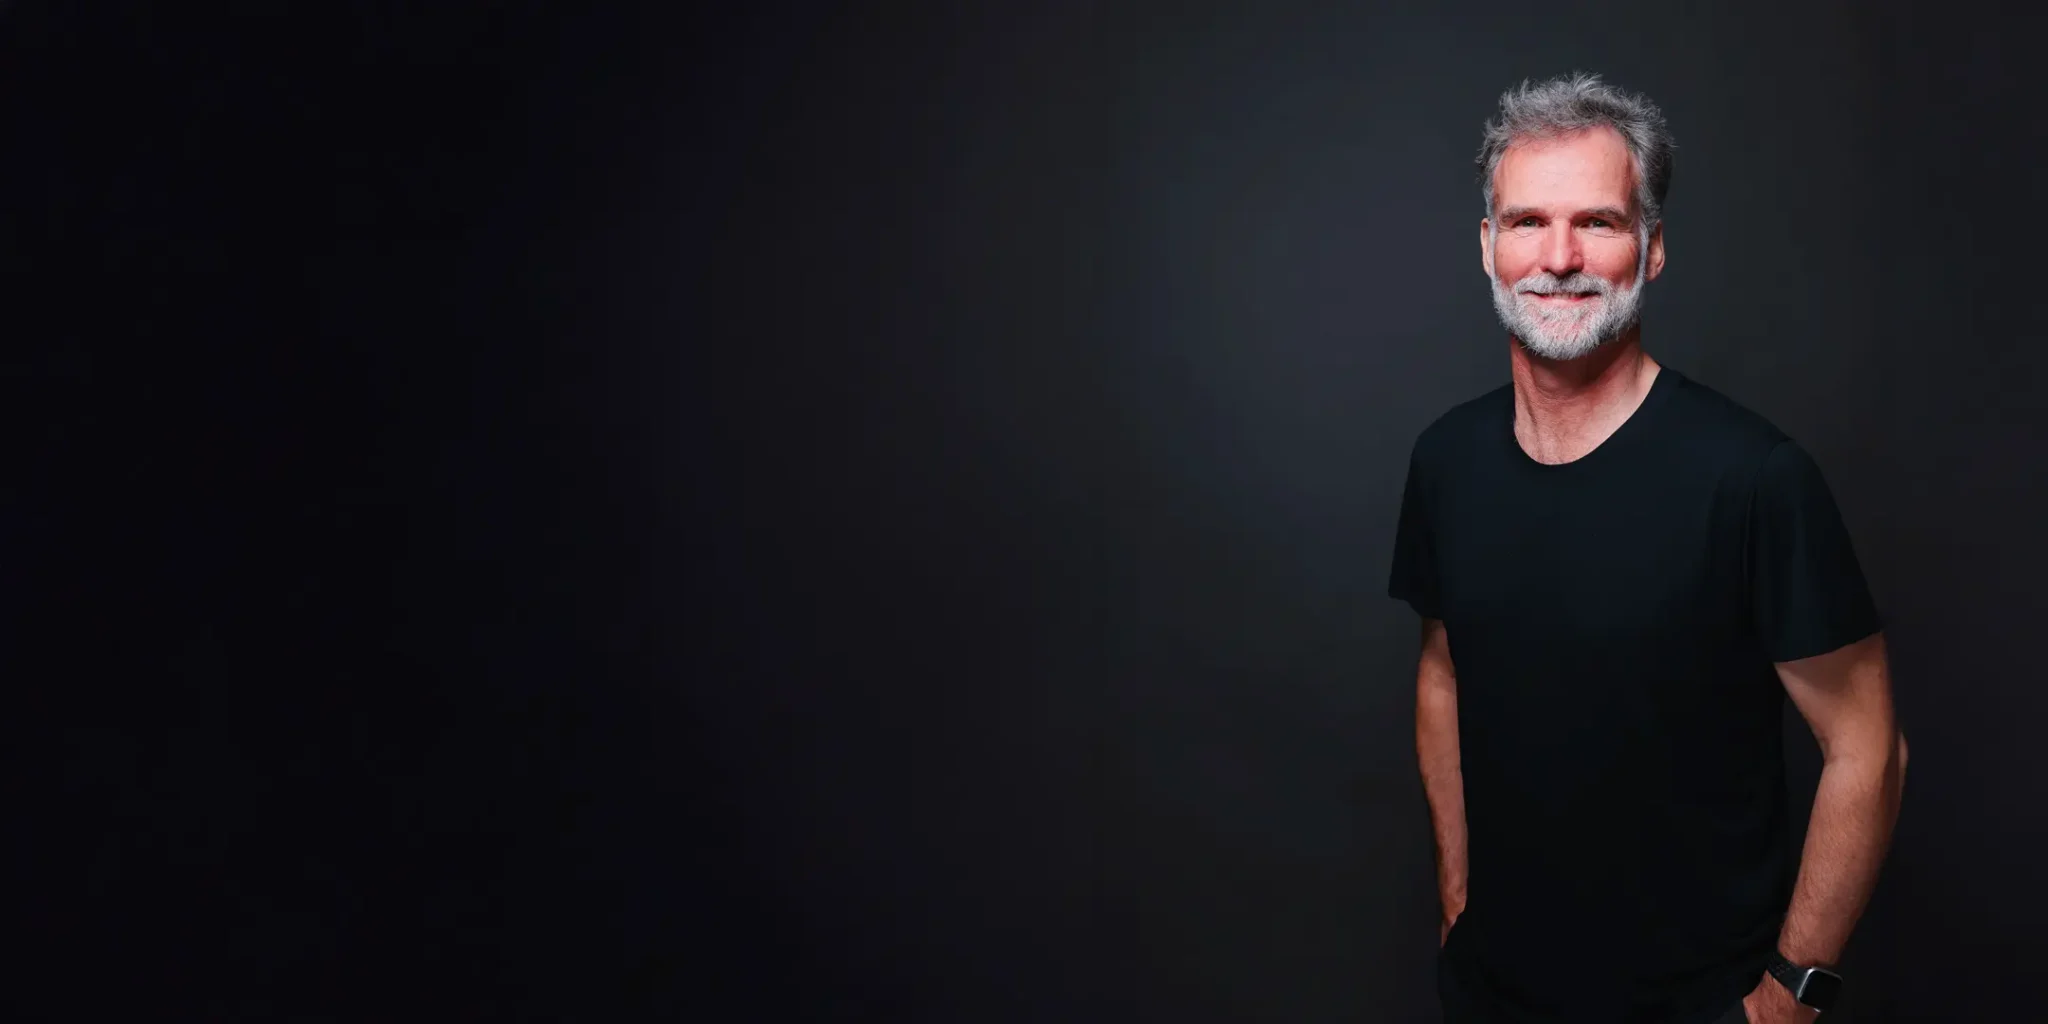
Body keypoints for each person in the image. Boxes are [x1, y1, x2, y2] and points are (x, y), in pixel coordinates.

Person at [1388, 73, 1908, 1023]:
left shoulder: (1755, 479)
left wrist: (1790, 995)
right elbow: (1442, 674)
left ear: (1653, 248)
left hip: (1701, 1006)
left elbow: (1868, 746)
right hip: (1491, 997)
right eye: (1528, 223)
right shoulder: (1446, 461)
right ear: (1488, 245)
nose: (1559, 258)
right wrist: (1458, 905)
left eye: (1598, 222)